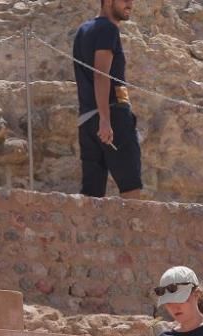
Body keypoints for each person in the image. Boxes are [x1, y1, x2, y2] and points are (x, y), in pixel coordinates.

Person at [72, 0, 142, 199]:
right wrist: (105, 119)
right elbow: (100, 74)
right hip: (112, 117)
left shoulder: (82, 30)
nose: (130, 4)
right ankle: (133, 230)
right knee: (131, 188)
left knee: (91, 195)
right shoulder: (108, 29)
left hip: (86, 120)